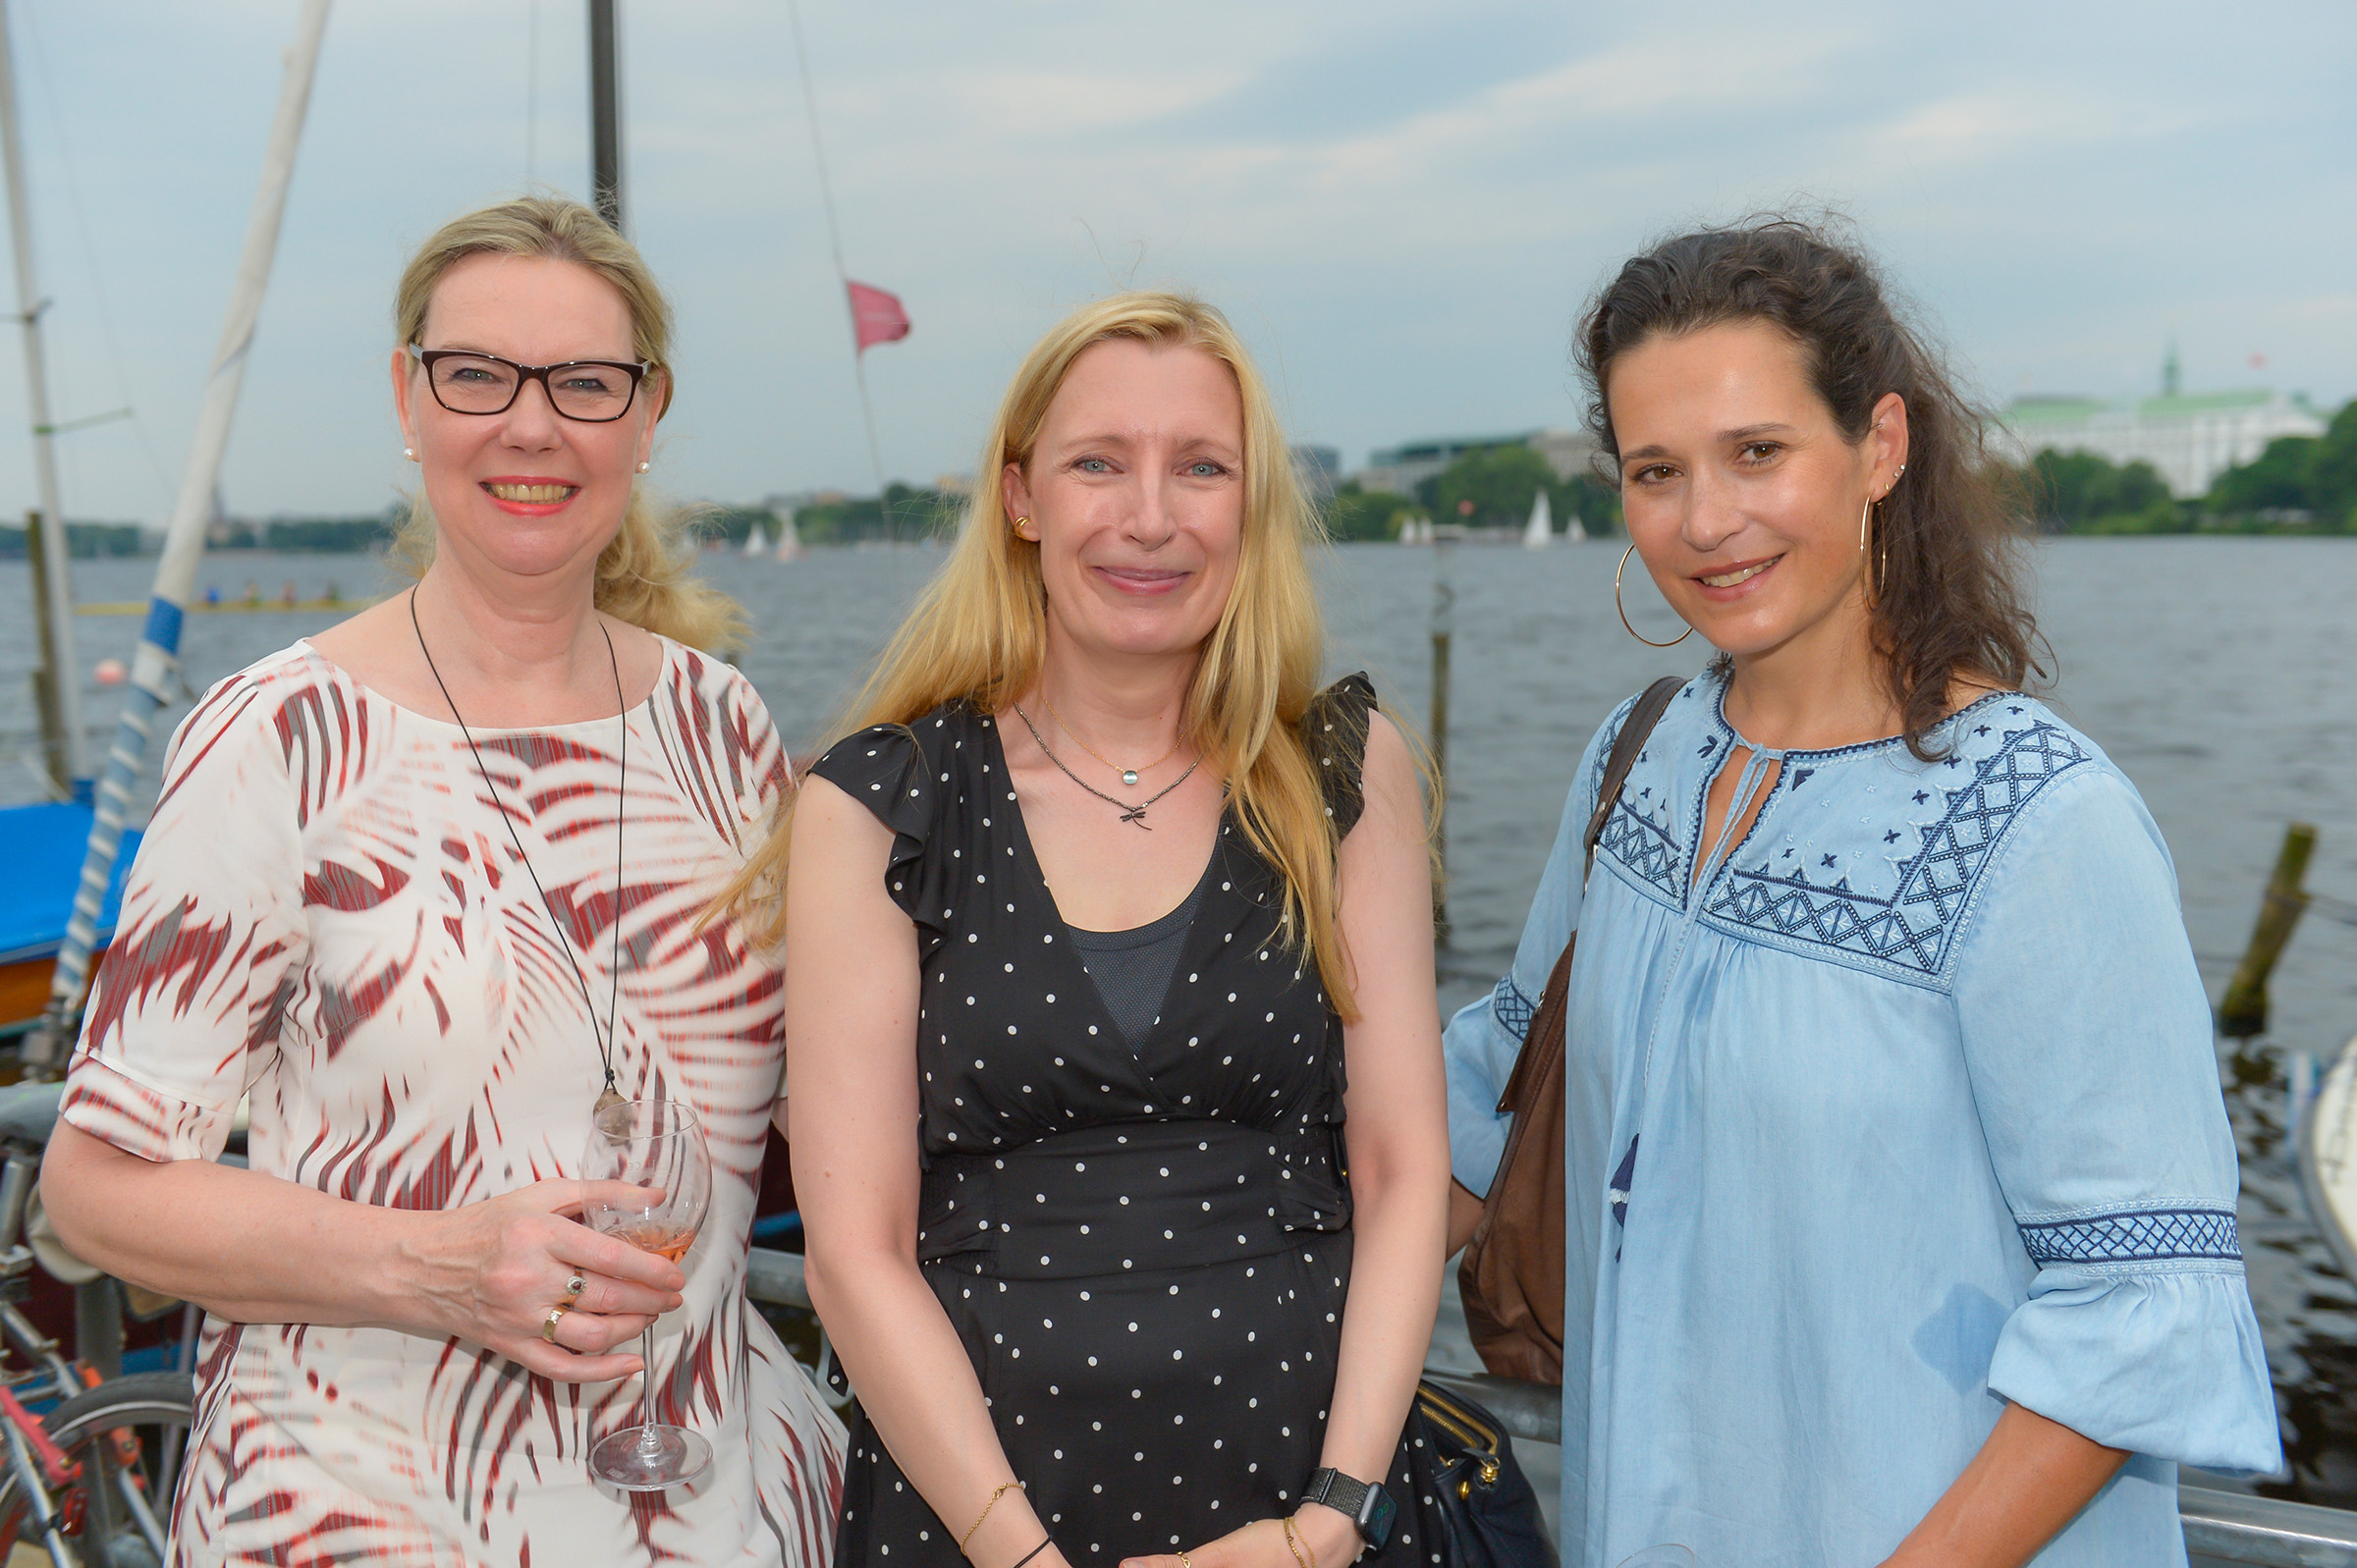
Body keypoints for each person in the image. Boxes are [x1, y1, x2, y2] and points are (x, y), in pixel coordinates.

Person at [1442, 219, 2278, 1567]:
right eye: (1657, 471)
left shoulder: (2042, 824)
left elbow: (2146, 1308)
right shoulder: (1636, 759)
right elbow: (1490, 1094)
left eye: (1756, 452)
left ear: (1880, 445)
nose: (1706, 521)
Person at [41, 195, 844, 1565]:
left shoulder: (724, 726)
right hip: (369, 1514)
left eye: (585, 382)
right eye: (478, 374)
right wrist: (437, 1270)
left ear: (647, 415)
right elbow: (94, 1184)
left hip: (718, 1507)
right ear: (408, 398)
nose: (531, 425)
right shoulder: (278, 736)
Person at [763, 293, 1450, 1568]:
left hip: (1305, 1502)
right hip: (976, 1508)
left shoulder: (1342, 771)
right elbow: (855, 1250)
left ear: (1251, 504)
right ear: (1020, 497)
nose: (1150, 516)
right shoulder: (882, 804)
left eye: (1201, 467)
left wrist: (1332, 1517)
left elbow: (1403, 1169)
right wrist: (1020, 1557)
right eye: (1098, 463)